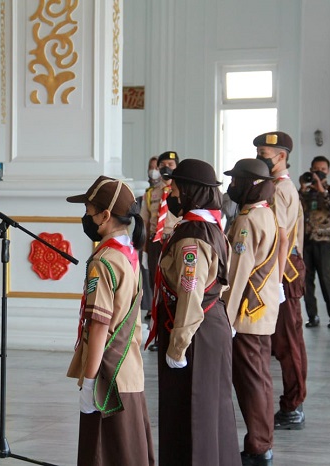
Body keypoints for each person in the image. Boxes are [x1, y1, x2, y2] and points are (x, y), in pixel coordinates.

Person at [147, 159, 240, 466]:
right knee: (210, 412)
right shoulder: (209, 227)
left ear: (190, 191)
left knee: (194, 415)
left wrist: (177, 346)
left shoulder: (192, 237)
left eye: (176, 186)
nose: (171, 191)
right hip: (209, 326)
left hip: (194, 333)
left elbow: (190, 294)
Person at [66, 176, 155, 466]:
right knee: (129, 453)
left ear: (104, 216)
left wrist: (90, 383)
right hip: (128, 370)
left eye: (89, 211)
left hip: (108, 378)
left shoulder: (103, 262)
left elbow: (99, 325)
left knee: (102, 455)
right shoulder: (128, 254)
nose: (85, 218)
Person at [222, 159, 280, 466]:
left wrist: (227, 319)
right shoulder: (265, 212)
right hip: (262, 311)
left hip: (247, 315)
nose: (232, 186)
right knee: (260, 380)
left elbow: (237, 272)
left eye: (237, 181)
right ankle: (262, 442)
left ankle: (259, 447)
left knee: (251, 382)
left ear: (251, 185)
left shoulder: (246, 220)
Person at [254, 131, 308, 430]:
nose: (261, 157)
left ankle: (294, 404)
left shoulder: (282, 189)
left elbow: (282, 237)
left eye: (265, 152)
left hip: (284, 272)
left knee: (289, 341)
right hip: (276, 270)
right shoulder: (271, 186)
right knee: (280, 341)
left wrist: (274, 281)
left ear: (281, 156)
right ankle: (291, 401)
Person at [141, 151, 181, 339]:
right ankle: (158, 333)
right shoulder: (151, 193)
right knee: (156, 284)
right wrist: (144, 251)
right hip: (155, 242)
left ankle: (174, 328)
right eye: (162, 164)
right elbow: (145, 220)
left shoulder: (180, 190)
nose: (166, 168)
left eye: (170, 164)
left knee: (174, 284)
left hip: (174, 240)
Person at [299, 155, 330, 328]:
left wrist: (322, 190)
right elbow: (296, 210)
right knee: (306, 281)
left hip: (323, 241)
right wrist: (302, 189)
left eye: (323, 170)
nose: (319, 173)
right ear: (311, 170)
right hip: (306, 241)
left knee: (326, 279)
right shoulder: (306, 192)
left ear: (328, 171)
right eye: (316, 169)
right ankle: (312, 316)